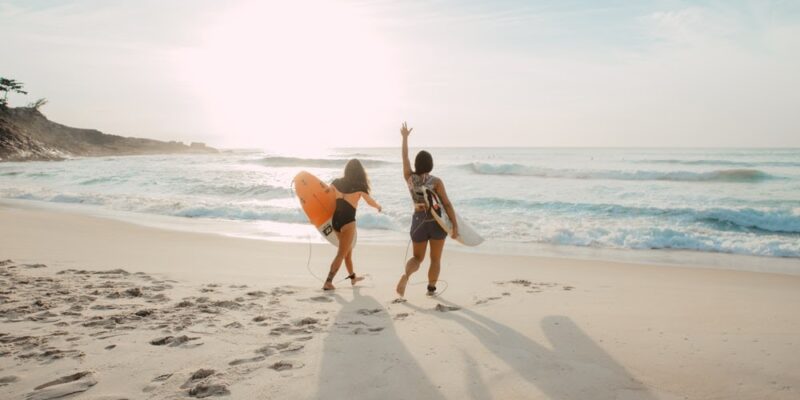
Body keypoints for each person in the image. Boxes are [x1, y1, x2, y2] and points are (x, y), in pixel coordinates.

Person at [396, 122, 458, 297]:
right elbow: (446, 204)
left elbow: (404, 157)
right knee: (435, 259)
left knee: (417, 258)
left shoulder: (409, 178)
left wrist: (405, 138)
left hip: (418, 220)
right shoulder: (436, 181)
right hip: (436, 222)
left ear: (417, 164)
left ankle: (406, 276)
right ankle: (431, 289)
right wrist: (455, 225)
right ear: (431, 164)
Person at [323, 159, 382, 291]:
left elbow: (325, 195)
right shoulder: (360, 186)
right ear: (360, 172)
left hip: (336, 221)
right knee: (341, 253)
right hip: (348, 222)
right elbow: (370, 201)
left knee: (347, 253)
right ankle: (328, 281)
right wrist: (378, 206)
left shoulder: (336, 182)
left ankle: (353, 277)